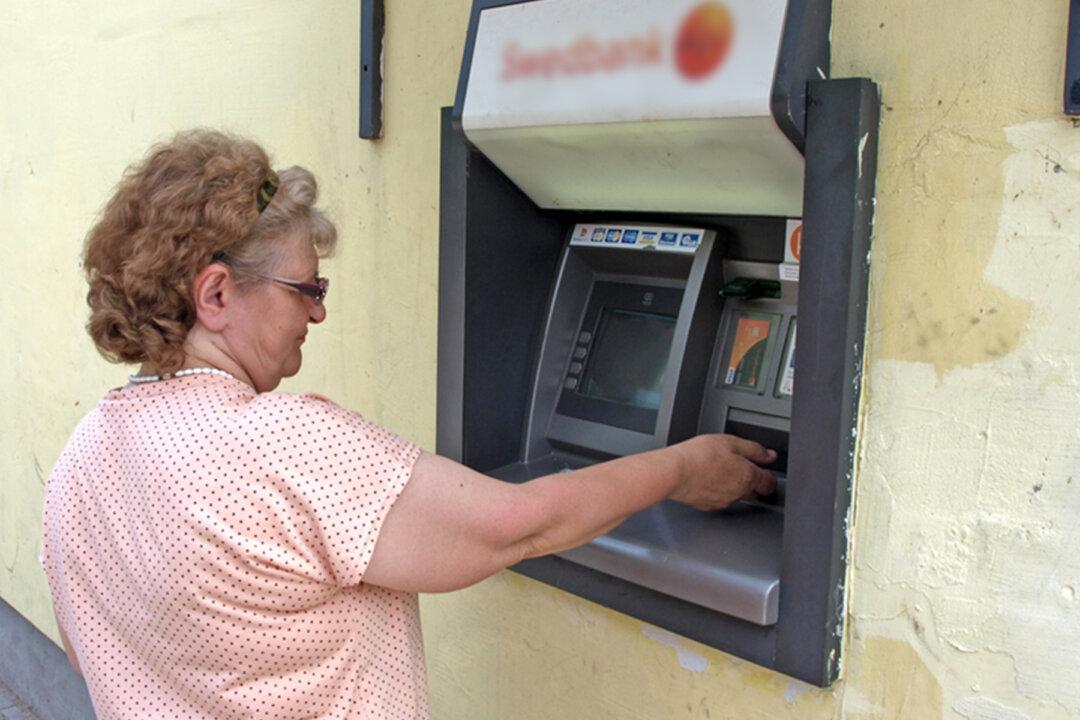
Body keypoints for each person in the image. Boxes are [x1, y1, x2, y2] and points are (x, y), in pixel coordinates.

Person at [40, 129, 776, 720]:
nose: (317, 312)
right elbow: (517, 524)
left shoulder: (84, 456)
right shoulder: (279, 443)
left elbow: (95, 655)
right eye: (305, 288)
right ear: (217, 294)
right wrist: (682, 468)